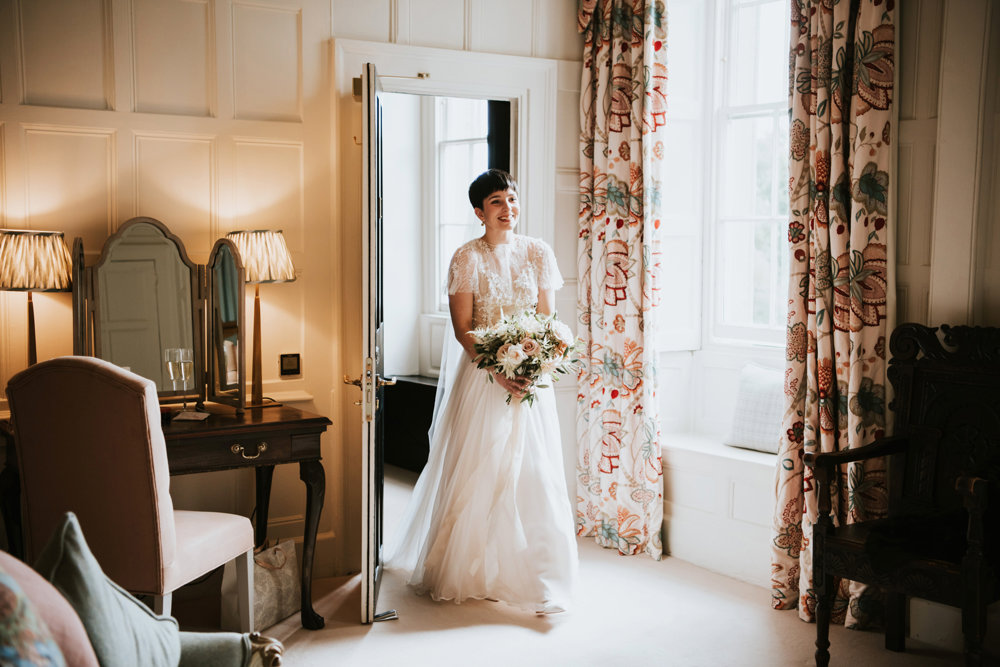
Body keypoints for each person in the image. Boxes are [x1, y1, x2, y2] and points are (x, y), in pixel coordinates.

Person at [384, 169, 578, 614]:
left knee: (536, 473)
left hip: (531, 382)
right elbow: (463, 329)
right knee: (481, 472)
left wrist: (535, 362)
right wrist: (498, 369)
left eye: (511, 199)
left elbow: (549, 320)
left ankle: (545, 580)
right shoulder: (466, 258)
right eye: (496, 201)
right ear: (479, 211)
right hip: (484, 378)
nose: (508, 208)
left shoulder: (538, 252)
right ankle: (472, 570)